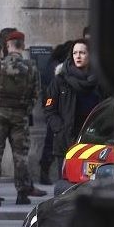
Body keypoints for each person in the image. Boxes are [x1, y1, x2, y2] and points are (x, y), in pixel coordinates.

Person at [0, 30, 46, 206]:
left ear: (8, 45)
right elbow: (36, 93)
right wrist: (26, 108)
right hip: (20, 116)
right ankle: (22, 193)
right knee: (20, 156)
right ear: (23, 45)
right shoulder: (31, 67)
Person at [44, 39, 105, 181]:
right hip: (66, 138)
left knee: (90, 180)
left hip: (92, 139)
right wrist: (60, 128)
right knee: (66, 182)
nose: (78, 56)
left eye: (82, 53)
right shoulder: (60, 80)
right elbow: (49, 108)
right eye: (75, 53)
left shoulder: (99, 81)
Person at [37, 39, 75, 185]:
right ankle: (45, 171)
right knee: (51, 143)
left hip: (59, 112)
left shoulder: (53, 65)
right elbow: (50, 94)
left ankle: (46, 171)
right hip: (57, 113)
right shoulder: (57, 69)